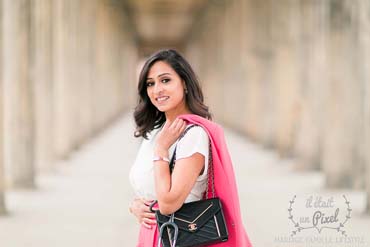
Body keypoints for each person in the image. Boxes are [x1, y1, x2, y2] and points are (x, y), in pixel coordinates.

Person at [129, 49, 252, 247]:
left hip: (179, 237)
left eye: (165, 80)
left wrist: (161, 151)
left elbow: (169, 204)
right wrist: (135, 206)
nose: (157, 89)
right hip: (151, 236)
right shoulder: (155, 132)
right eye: (150, 84)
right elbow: (145, 186)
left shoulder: (193, 135)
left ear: (184, 83)